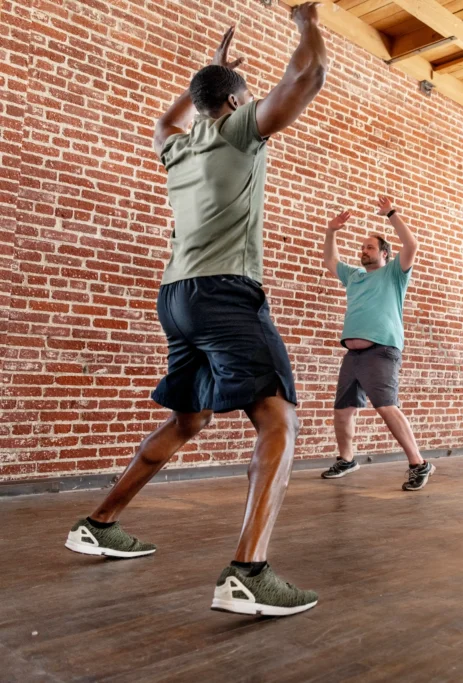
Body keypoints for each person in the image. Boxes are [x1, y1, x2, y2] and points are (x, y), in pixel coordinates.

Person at [64, 12, 329, 615]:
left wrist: (205, 77)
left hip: (176, 297)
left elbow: (163, 120)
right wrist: (307, 19)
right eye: (242, 98)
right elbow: (309, 75)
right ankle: (249, 572)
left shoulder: (175, 149)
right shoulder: (238, 130)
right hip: (222, 294)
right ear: (235, 102)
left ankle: (100, 522)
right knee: (278, 418)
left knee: (191, 420)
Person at [319, 197, 431, 491]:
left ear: (384, 253)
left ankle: (419, 463)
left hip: (381, 350)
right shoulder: (354, 276)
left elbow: (412, 245)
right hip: (352, 355)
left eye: (370, 247)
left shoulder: (394, 273)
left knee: (386, 406)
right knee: (343, 411)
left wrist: (392, 214)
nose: (363, 251)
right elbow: (330, 261)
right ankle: (347, 459)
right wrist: (331, 232)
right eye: (362, 247)